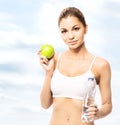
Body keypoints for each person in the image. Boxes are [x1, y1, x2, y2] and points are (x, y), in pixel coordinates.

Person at [39, 6, 112, 125]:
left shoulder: (100, 65)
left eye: (76, 29)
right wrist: (48, 73)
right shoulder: (55, 59)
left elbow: (107, 105)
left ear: (85, 29)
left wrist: (98, 113)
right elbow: (44, 104)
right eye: (64, 31)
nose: (70, 36)